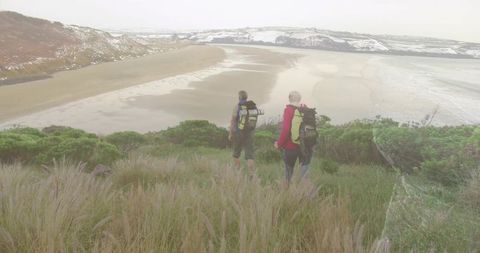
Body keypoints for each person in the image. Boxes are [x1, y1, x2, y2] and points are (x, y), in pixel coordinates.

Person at [274, 91, 314, 187]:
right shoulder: (306, 109)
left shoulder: (289, 110)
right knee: (305, 176)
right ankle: (306, 196)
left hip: (291, 147)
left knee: (288, 174)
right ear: (299, 99)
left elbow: (286, 129)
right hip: (306, 147)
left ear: (289, 99)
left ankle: (286, 195)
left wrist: (278, 144)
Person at [229, 90, 256, 174]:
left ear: (239, 97)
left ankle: (238, 173)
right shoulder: (252, 106)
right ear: (246, 97)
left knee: (236, 155)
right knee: (249, 156)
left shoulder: (237, 106)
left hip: (238, 133)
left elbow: (233, 121)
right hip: (249, 133)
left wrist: (230, 133)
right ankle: (252, 175)